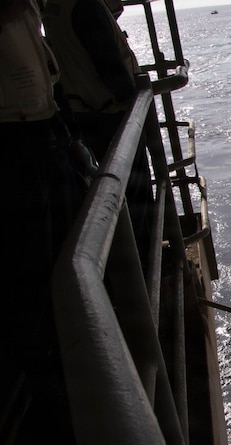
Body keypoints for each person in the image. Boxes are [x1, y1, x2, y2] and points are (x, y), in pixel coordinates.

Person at [0, 1, 87, 445]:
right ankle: (48, 381)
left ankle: (56, 355)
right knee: (33, 269)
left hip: (43, 134)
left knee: (59, 250)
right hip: (17, 148)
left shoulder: (27, 16)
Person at [43, 0, 154, 271]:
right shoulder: (84, 6)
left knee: (113, 194)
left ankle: (132, 264)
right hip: (110, 114)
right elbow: (108, 63)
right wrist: (135, 104)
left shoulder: (54, 9)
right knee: (135, 195)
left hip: (84, 111)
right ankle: (144, 266)